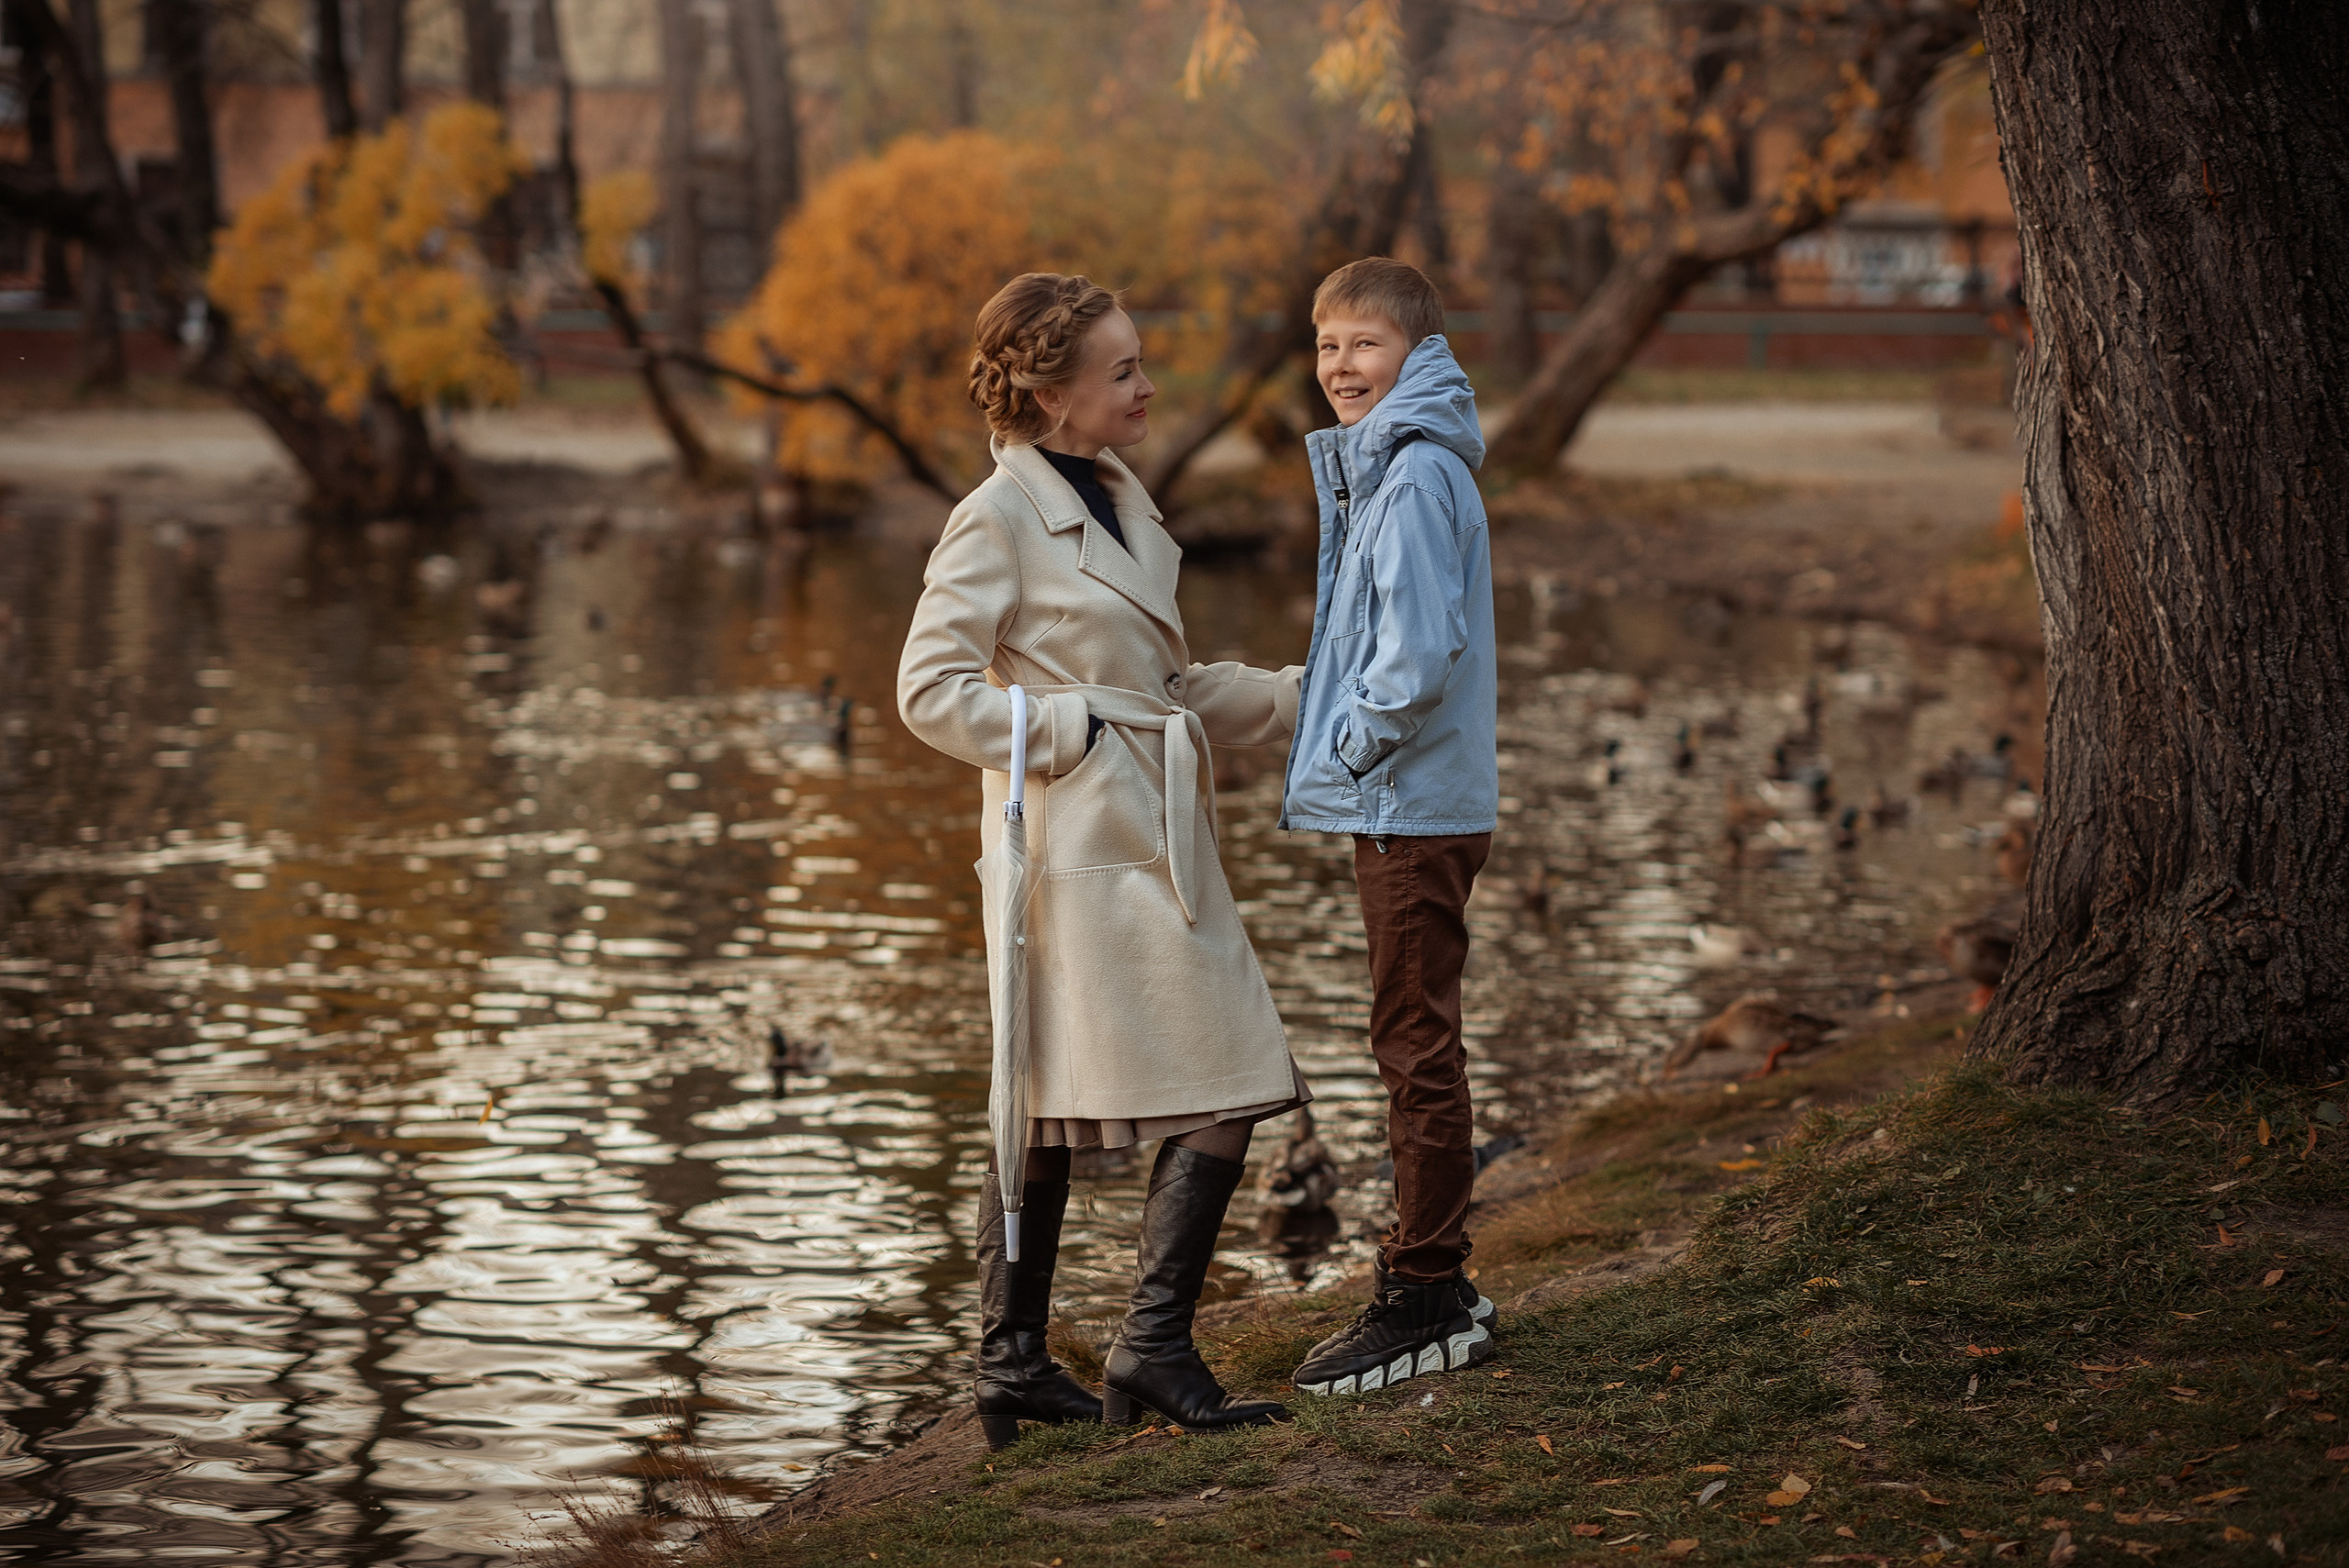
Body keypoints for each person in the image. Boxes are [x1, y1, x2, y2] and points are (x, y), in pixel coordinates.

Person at [898, 272, 1307, 1448]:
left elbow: (1164, 690)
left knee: (1045, 1093)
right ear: (1048, 390)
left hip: (1147, 825)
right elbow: (929, 691)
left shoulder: (1120, 494)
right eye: (1122, 368)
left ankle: (1016, 1359)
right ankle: (1146, 1346)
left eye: (1139, 361)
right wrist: (1064, 733)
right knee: (1224, 1069)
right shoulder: (999, 514)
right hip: (1075, 842)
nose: (1146, 384)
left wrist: (1300, 692)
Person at [1278, 257, 1501, 1396]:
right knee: (1415, 1034)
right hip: (1417, 802)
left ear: (1418, 351)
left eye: (1362, 345)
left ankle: (1424, 1290)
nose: (1338, 366)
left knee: (1412, 1045)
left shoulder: (1411, 477)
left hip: (1407, 803)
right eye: (1324, 346)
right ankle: (1437, 1272)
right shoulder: (1407, 464)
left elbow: (1417, 652)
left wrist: (1350, 749)